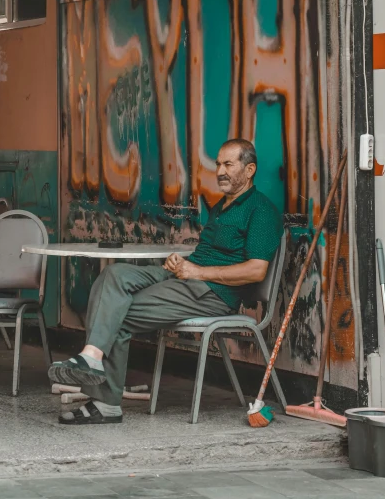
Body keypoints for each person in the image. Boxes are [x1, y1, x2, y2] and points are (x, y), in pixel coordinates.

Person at [49, 138, 283, 425]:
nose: (220, 171)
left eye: (228, 165)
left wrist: (198, 272)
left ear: (249, 170)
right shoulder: (223, 205)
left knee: (114, 313)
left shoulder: (261, 210)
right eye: (218, 164)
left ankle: (105, 402)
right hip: (188, 276)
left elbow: (256, 270)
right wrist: (180, 262)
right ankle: (92, 357)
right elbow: (208, 254)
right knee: (112, 275)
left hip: (212, 293)